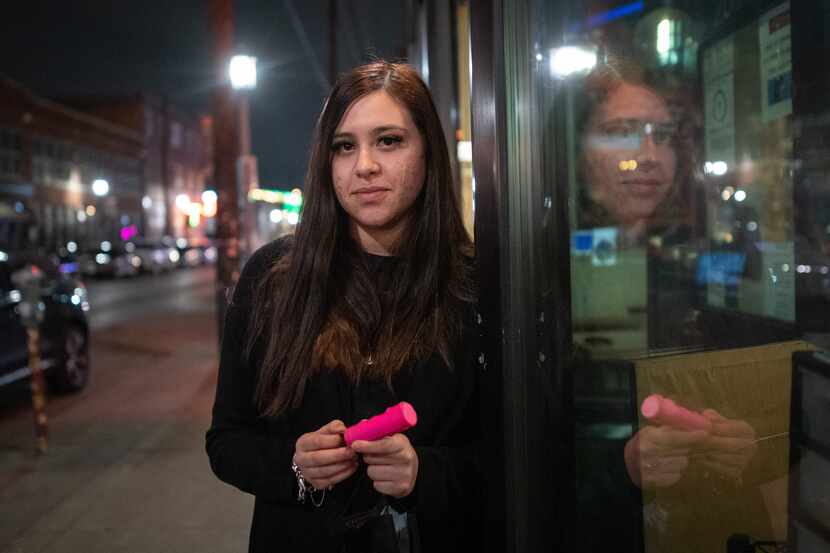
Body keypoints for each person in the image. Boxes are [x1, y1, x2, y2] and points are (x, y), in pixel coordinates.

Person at [206, 61, 481, 553]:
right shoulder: (273, 279)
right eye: (344, 146)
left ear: (428, 152)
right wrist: (293, 466)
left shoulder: (474, 284)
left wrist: (424, 471)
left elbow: (513, 452)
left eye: (389, 141)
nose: (365, 165)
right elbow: (226, 441)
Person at [571, 62, 774, 553]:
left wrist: (749, 442)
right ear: (576, 151)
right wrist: (616, 465)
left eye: (662, 136)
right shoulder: (531, 274)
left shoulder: (694, 268)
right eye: (621, 134)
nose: (648, 156)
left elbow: (772, 400)